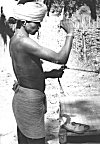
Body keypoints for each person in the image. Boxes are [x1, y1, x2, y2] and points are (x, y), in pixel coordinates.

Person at [9, 1, 75, 144]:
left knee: (25, 139)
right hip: (30, 102)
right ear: (25, 21)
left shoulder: (15, 40)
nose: (39, 27)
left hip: (23, 97)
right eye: (37, 23)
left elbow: (25, 72)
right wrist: (70, 33)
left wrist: (50, 74)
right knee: (36, 140)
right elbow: (60, 58)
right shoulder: (24, 42)